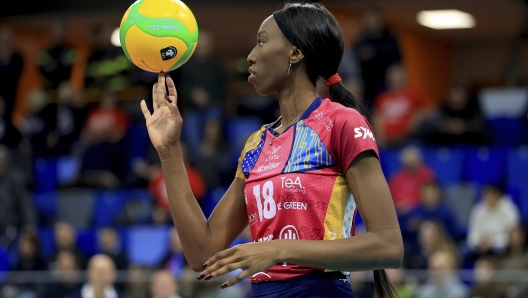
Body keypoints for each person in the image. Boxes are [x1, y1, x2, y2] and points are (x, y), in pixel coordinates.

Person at [139, 2, 403, 297]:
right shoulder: (255, 144)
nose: (250, 56)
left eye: (262, 42)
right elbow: (203, 254)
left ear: (295, 52)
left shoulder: (342, 123)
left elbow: (388, 246)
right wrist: (169, 151)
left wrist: (277, 249)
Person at [178, 30, 226, 153]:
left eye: (206, 47)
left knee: (213, 124)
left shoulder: (216, 65)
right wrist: (193, 93)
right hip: (192, 108)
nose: (203, 49)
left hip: (213, 106)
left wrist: (209, 99)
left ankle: (210, 153)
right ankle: (197, 158)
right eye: (201, 47)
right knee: (190, 131)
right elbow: (181, 86)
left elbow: (222, 88)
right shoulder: (187, 65)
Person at [372, 64, 432, 147]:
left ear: (404, 78)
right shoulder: (382, 98)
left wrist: (418, 115)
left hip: (408, 140)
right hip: (387, 141)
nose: (395, 80)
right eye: (392, 77)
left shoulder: (413, 95)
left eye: (398, 77)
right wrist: (380, 137)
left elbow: (431, 110)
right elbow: (378, 118)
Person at [353, 6, 402, 108]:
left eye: (374, 19)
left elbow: (398, 64)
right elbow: (355, 62)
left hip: (387, 86)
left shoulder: (391, 39)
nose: (372, 23)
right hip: (366, 87)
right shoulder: (361, 41)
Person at [421, 83, 488, 145]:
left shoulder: (473, 108)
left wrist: (464, 126)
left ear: (466, 96)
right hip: (446, 149)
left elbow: (482, 126)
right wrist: (444, 126)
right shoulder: (442, 109)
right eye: (452, 95)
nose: (455, 98)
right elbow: (426, 128)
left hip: (472, 147)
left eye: (458, 94)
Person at [467, 184, 520, 259]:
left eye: (491, 195)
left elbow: (513, 237)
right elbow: (473, 232)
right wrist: (479, 242)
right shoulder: (478, 210)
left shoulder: (510, 210)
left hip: (501, 245)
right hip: (481, 244)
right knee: (462, 251)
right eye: (485, 195)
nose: (487, 198)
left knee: (501, 251)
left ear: (498, 195)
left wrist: (492, 243)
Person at [0, 144, 36, 249]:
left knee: (2, 249)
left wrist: (30, 223)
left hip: (10, 224)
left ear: (4, 163)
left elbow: (25, 203)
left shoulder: (16, 179)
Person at [388, 145, 435, 215]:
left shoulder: (426, 175)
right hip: (400, 213)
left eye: (413, 163)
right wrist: (398, 205)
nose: (411, 166)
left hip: (421, 212)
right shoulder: (397, 177)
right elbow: (391, 197)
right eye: (408, 164)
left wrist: (412, 207)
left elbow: (430, 197)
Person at [37, 20, 78, 90]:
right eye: (56, 29)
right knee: (35, 97)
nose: (59, 32)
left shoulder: (70, 50)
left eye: (61, 29)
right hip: (48, 85)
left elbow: (67, 70)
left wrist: (53, 67)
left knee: (67, 91)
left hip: (64, 85)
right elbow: (40, 70)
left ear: (65, 31)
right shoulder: (45, 51)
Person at [0, 26, 24, 124]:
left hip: (11, 98)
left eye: (8, 41)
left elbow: (13, 79)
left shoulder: (17, 58)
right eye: (4, 41)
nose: (6, 44)